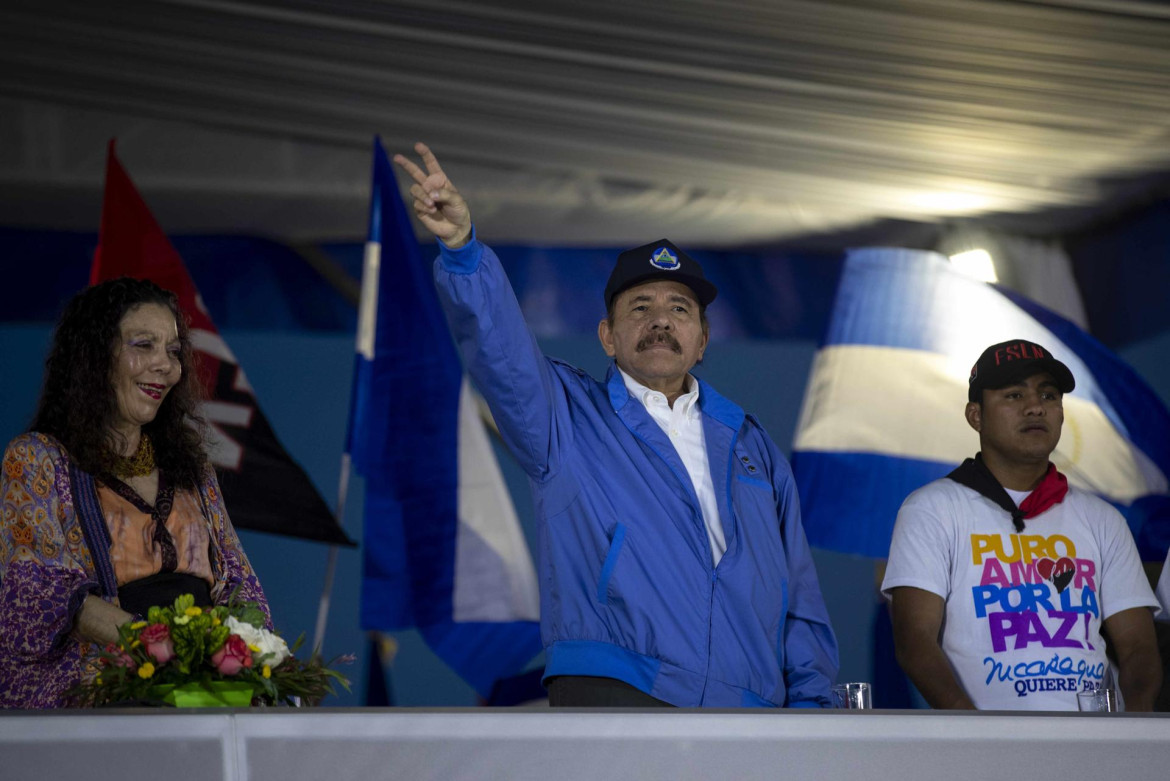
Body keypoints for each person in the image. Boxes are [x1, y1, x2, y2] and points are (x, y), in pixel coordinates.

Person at [393, 143, 838, 708]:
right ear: (607, 336)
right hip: (619, 687)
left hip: (749, 708)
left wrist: (814, 709)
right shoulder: (563, 414)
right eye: (639, 307)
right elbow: (499, 351)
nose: (660, 321)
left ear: (702, 341)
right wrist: (462, 250)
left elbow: (797, 591)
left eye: (680, 309)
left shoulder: (752, 445)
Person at [0, 277, 269, 708]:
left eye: (174, 351)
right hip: (104, 694)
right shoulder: (37, 460)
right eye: (143, 345)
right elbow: (38, 595)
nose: (166, 365)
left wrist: (242, 659)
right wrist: (163, 652)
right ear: (94, 358)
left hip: (200, 690)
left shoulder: (192, 468)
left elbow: (239, 584)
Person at [882, 339, 1161, 710]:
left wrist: (1129, 735)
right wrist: (977, 736)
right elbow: (914, 642)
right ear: (975, 416)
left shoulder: (1103, 520)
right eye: (1014, 396)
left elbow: (1140, 648)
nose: (1035, 407)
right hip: (987, 751)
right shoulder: (931, 510)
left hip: (1097, 749)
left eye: (1048, 396)